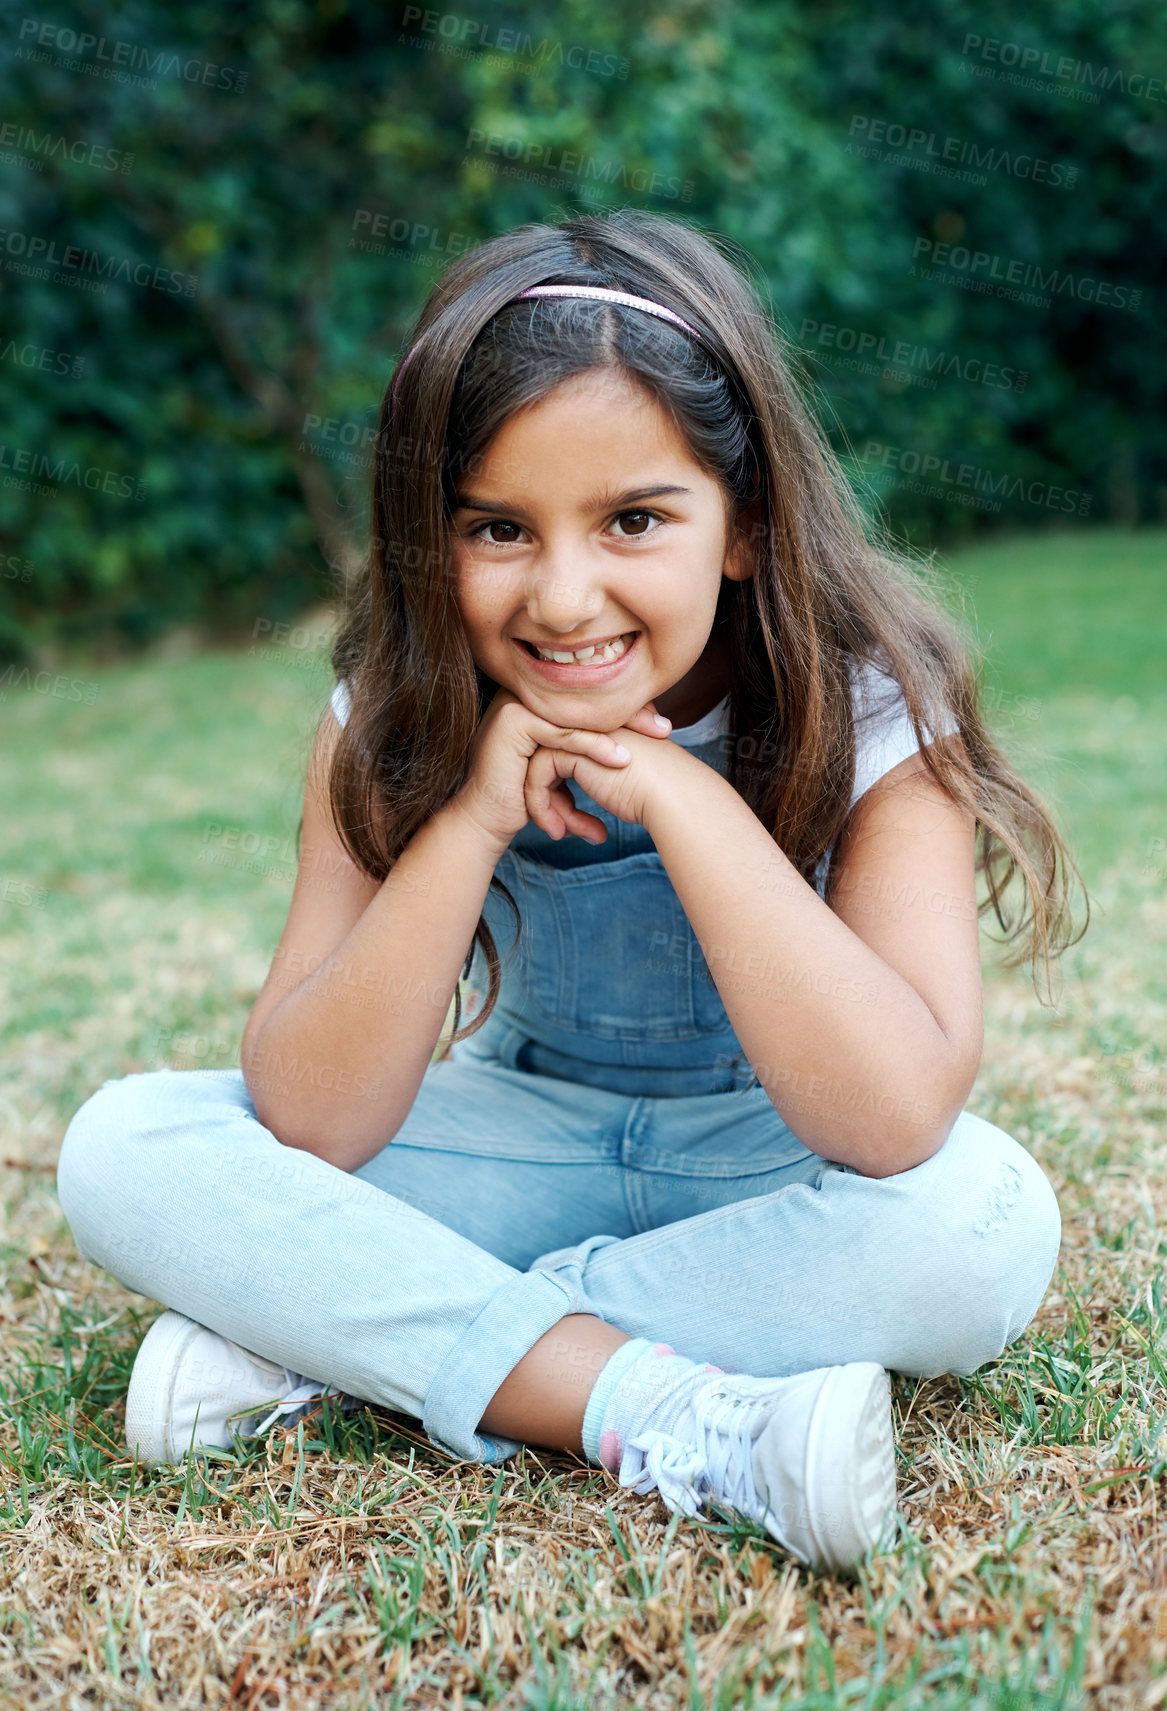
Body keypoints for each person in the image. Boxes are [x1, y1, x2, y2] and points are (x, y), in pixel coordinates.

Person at [57, 208, 1083, 1576]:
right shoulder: (393, 717)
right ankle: (663, 1411)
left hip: (764, 1169)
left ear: (743, 523)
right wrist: (476, 812)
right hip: (521, 1135)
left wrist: (689, 801)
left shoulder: (878, 704)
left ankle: (338, 1345)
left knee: (983, 1229)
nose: (565, 593)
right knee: (125, 1146)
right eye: (498, 527)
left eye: (635, 519)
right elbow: (311, 1113)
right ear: (434, 538)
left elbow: (893, 1117)